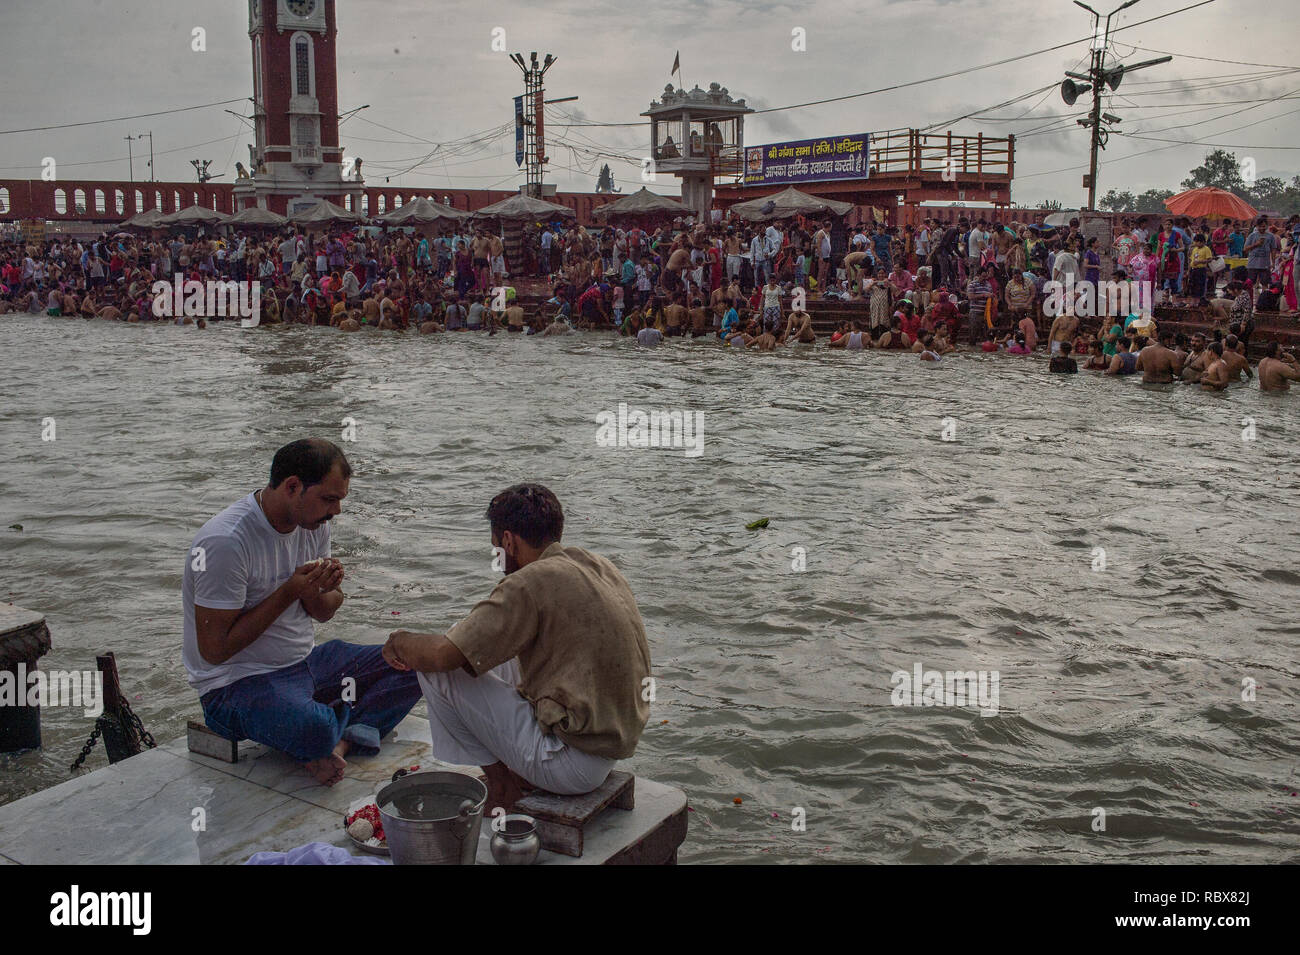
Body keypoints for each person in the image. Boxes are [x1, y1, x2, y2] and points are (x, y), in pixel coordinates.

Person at [384, 485, 650, 811]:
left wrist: (398, 641)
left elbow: (441, 656)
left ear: (508, 541)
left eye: (496, 547)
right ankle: (520, 771)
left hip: (570, 766)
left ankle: (502, 788)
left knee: (437, 668)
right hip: (606, 751)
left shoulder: (530, 581)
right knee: (469, 643)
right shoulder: (596, 565)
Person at [183, 439, 421, 787]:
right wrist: (290, 590)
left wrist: (325, 589)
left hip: (305, 664)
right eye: (329, 499)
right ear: (293, 486)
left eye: (339, 500)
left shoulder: (314, 525)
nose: (336, 511)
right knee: (314, 728)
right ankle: (329, 735)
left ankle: (338, 743)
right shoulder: (225, 543)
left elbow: (323, 612)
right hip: (235, 686)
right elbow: (214, 650)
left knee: (416, 661)